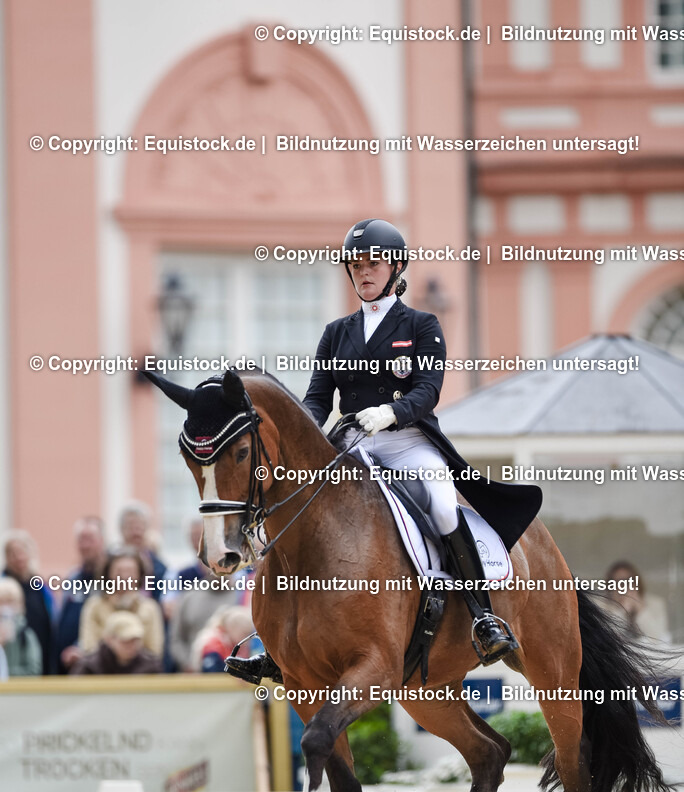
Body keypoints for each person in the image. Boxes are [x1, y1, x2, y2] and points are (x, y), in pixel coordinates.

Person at [227, 218, 542, 682]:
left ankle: (482, 615)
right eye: (354, 265)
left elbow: (428, 390)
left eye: (372, 263)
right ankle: (280, 645)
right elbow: (317, 398)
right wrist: (306, 435)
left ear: (395, 267)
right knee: (296, 507)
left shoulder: (421, 324)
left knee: (440, 503)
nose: (363, 272)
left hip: (407, 442)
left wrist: (392, 414)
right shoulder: (336, 332)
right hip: (352, 445)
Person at [78, 548, 165, 657]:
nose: (124, 577)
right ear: (109, 574)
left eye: (130, 571)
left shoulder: (150, 608)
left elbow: (155, 651)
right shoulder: (94, 606)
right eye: (119, 571)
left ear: (139, 575)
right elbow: (88, 647)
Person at [56, 516, 107, 673]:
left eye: (90, 539)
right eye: (81, 539)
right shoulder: (73, 577)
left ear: (102, 541)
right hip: (67, 665)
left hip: (97, 664)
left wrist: (81, 647)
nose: (85, 545)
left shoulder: (111, 578)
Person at [2, 529, 56, 673]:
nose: (18, 557)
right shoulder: (3, 585)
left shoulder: (39, 586)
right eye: (12, 553)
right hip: (14, 659)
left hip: (42, 652)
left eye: (22, 552)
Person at [71, 611, 162, 675]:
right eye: (125, 641)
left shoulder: (151, 665)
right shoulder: (89, 667)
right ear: (109, 639)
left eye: (135, 640)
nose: (131, 646)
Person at [0, 577, 43, 676]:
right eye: (1, 601)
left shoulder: (26, 635)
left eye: (10, 601)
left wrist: (6, 673)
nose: (5, 607)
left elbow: (34, 670)